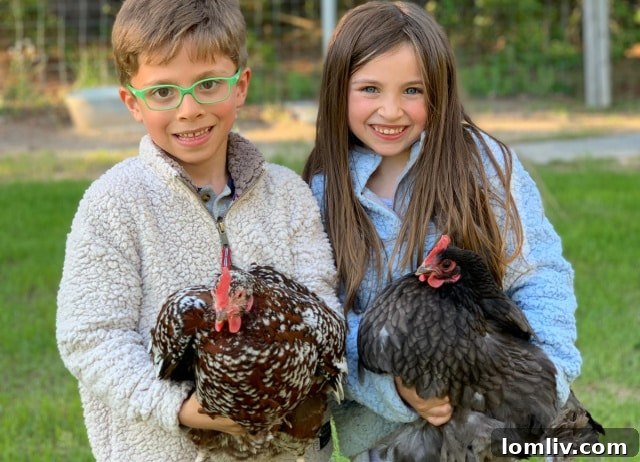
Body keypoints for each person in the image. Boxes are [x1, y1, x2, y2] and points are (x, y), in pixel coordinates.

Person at [56, 1, 341, 461]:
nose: (189, 110)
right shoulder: (115, 204)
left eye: (209, 85)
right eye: (163, 92)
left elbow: (322, 305)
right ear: (132, 101)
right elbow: (90, 336)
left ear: (241, 86)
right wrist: (180, 407)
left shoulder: (287, 195)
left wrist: (290, 380)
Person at [302, 2, 582, 460]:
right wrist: (393, 389)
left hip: (499, 415)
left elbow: (541, 272)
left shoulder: (484, 166)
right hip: (386, 437)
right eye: (370, 88)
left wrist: (548, 373)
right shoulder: (321, 193)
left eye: (413, 90)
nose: (391, 111)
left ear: (442, 91)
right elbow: (325, 320)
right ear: (338, 90)